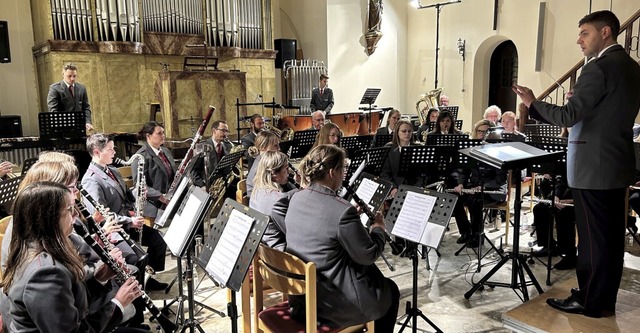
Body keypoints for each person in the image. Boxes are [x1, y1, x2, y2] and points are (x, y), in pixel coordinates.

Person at [513, 10, 640, 317]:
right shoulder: (633, 68)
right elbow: (608, 111)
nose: (579, 40)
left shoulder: (598, 68)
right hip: (616, 162)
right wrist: (580, 99)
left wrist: (533, 103)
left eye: (585, 33)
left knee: (594, 242)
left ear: (605, 32)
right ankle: (601, 298)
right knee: (610, 238)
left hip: (591, 168)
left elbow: (568, 117)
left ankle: (591, 302)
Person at [284, 145, 399, 332]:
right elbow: (367, 255)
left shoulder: (296, 198)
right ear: (332, 172)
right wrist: (378, 229)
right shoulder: (343, 210)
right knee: (390, 290)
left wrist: (352, 221)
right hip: (329, 305)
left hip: (300, 299)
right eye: (342, 169)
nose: (344, 174)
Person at [0, 181, 140, 332]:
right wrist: (118, 303)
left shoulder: (41, 248)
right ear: (49, 218)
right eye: (70, 209)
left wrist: (99, 278)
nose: (75, 214)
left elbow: (68, 297)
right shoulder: (44, 273)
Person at [82, 133, 168, 291]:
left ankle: (148, 277)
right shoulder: (91, 180)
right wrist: (129, 220)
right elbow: (101, 214)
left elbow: (127, 196)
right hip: (112, 229)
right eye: (110, 149)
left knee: (159, 241)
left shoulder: (113, 171)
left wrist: (138, 193)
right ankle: (136, 289)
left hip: (127, 222)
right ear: (96, 152)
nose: (115, 152)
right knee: (136, 257)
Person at [451, 120, 506, 247]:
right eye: (479, 131)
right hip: (475, 187)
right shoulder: (472, 150)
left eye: (485, 132)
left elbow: (500, 179)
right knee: (454, 197)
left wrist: (483, 187)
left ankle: (478, 235)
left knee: (474, 199)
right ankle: (466, 231)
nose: (482, 134)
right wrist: (461, 185)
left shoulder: (500, 150)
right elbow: (463, 172)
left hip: (494, 189)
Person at [249, 151, 298, 251]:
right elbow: (292, 233)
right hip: (278, 254)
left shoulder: (257, 189)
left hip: (262, 247)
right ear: (273, 173)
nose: (289, 172)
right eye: (286, 169)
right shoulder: (278, 199)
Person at [132, 121, 176, 220]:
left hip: (169, 202)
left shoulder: (166, 151)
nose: (163, 136)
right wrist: (160, 196)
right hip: (153, 206)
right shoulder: (140, 156)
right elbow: (139, 186)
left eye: (163, 133)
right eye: (159, 133)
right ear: (148, 136)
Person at [531, 175, 577, 270]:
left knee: (563, 213)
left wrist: (572, 201)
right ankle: (548, 246)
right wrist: (556, 195)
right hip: (565, 197)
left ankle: (569, 255)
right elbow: (562, 182)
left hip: (581, 201)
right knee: (540, 209)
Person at [47, 63, 93, 131]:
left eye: (74, 76)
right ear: (63, 74)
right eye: (69, 76)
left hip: (79, 128)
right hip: (62, 129)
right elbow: (53, 111)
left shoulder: (82, 88)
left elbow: (86, 107)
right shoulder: (55, 89)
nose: (72, 79)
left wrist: (87, 122)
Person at [380, 120, 419, 197]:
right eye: (404, 131)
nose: (407, 133)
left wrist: (417, 188)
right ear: (397, 132)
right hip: (396, 188)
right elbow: (384, 173)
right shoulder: (389, 148)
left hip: (414, 188)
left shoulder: (418, 148)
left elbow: (422, 173)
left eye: (409, 131)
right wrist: (393, 188)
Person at [192, 120, 234, 188]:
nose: (225, 134)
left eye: (227, 131)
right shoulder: (200, 146)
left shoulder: (228, 146)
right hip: (207, 186)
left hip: (223, 185)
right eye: (223, 131)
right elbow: (193, 171)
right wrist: (202, 186)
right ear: (214, 131)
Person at [246, 131, 282, 197]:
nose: (279, 149)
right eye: (275, 146)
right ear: (263, 148)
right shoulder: (263, 166)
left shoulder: (264, 160)